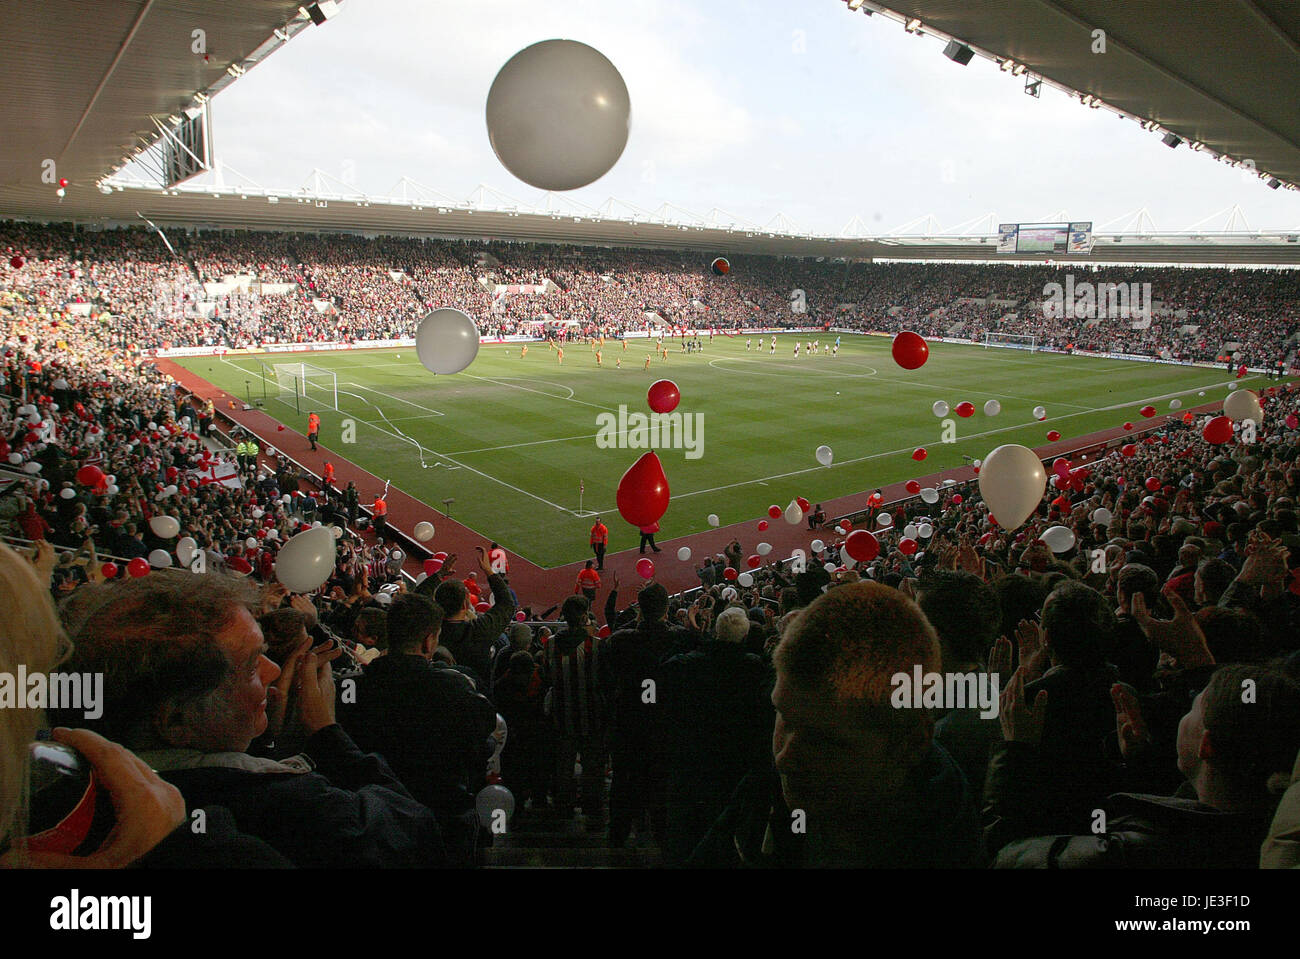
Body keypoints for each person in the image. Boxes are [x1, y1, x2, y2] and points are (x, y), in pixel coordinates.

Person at [51, 570, 445, 867]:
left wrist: (269, 739)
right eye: (250, 665)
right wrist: (326, 732)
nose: (274, 671)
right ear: (174, 721)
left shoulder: (72, 794)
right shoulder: (289, 804)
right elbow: (417, 829)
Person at [690, 582, 983, 867]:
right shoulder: (761, 794)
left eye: (824, 739)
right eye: (785, 719)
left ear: (911, 743)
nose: (784, 759)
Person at [337, 592, 496, 860]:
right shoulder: (454, 686)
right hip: (440, 820)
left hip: (371, 824)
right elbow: (482, 739)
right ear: (428, 641)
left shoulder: (349, 687)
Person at [545, 596, 605, 827]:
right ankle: (593, 806)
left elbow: (549, 676)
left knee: (564, 765)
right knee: (592, 765)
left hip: (562, 715)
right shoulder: (597, 645)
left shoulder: (550, 643)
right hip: (591, 715)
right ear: (584, 617)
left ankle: (563, 806)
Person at [428, 546, 517, 684]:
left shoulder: (427, 628)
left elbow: (414, 600)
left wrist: (439, 574)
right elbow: (507, 603)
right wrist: (489, 571)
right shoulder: (479, 630)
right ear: (465, 605)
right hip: (477, 691)